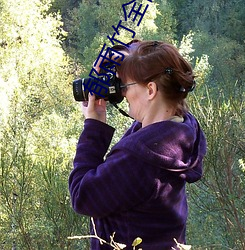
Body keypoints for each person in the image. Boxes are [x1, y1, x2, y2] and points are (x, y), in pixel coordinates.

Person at [69, 40, 207, 250]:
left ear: (151, 90)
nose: (122, 93)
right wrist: (123, 57)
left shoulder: (142, 156)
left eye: (125, 85)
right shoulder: (181, 129)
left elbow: (82, 196)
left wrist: (94, 128)